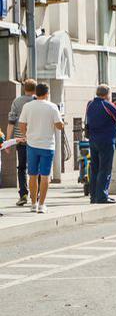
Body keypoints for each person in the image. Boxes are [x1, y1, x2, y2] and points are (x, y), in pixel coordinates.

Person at [18, 82, 64, 214]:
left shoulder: (28, 106)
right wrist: (61, 123)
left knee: (32, 175)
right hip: (47, 145)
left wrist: (26, 135)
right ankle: (41, 205)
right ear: (47, 93)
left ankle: (33, 204)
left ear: (35, 93)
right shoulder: (52, 106)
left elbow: (22, 124)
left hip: (32, 144)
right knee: (45, 176)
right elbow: (59, 126)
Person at [84, 85, 116, 204]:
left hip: (93, 140)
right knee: (105, 168)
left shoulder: (90, 104)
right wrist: (115, 107)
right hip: (106, 140)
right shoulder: (107, 104)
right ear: (107, 94)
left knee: (95, 168)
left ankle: (94, 196)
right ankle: (102, 196)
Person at [8, 78, 36, 207]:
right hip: (36, 140)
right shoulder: (38, 101)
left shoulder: (17, 101)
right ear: (35, 89)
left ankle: (23, 194)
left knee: (22, 168)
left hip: (21, 140)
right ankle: (37, 194)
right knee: (36, 168)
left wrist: (8, 141)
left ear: (24, 88)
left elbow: (11, 122)